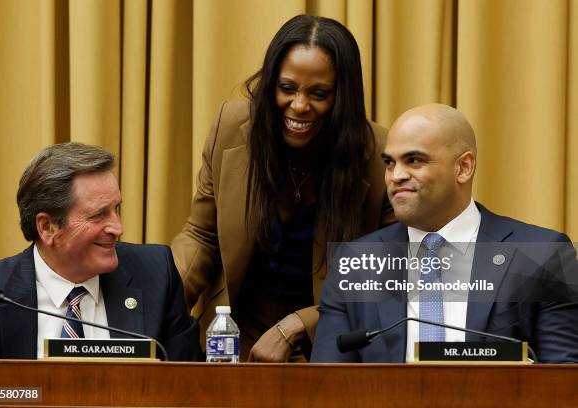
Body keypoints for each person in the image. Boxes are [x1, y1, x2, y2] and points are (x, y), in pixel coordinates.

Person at [172, 15, 393, 362]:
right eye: (287, 88)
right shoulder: (229, 127)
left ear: (343, 96)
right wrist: (162, 301)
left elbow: (383, 280)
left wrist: (297, 326)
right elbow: (201, 235)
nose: (300, 105)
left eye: (319, 93)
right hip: (234, 339)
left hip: (328, 345)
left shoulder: (381, 155)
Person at [311, 103, 578, 363]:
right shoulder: (355, 263)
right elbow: (327, 385)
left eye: (414, 160)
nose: (396, 176)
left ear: (463, 167)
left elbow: (563, 383)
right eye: (390, 163)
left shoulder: (541, 254)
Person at [0, 143, 202, 360]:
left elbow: (190, 388)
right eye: (98, 215)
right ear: (48, 227)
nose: (118, 228)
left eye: (116, 209)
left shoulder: (156, 276)